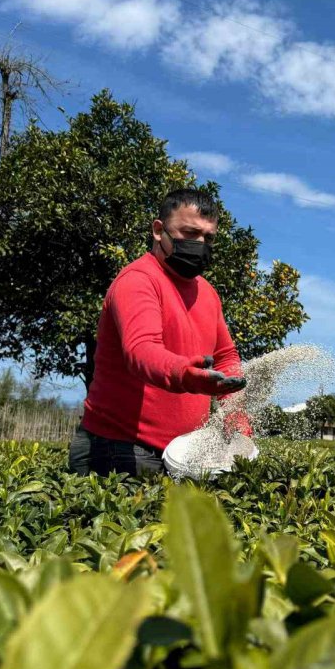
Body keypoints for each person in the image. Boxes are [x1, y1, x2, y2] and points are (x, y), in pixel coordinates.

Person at [69, 188, 250, 476]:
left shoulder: (208, 293)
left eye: (209, 237)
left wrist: (236, 417)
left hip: (181, 454)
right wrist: (184, 375)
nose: (200, 244)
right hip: (120, 449)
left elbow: (226, 357)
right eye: (190, 233)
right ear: (158, 230)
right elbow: (140, 350)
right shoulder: (139, 281)